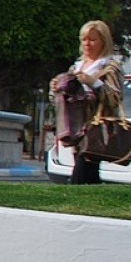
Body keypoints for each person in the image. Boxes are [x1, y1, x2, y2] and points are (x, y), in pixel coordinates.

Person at [52, 20, 123, 184]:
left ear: (103, 41)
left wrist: (93, 82)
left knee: (84, 167)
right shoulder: (76, 66)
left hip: (95, 126)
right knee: (86, 170)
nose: (87, 44)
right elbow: (59, 97)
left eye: (92, 39)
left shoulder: (110, 67)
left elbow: (115, 98)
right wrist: (57, 87)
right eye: (84, 39)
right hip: (75, 125)